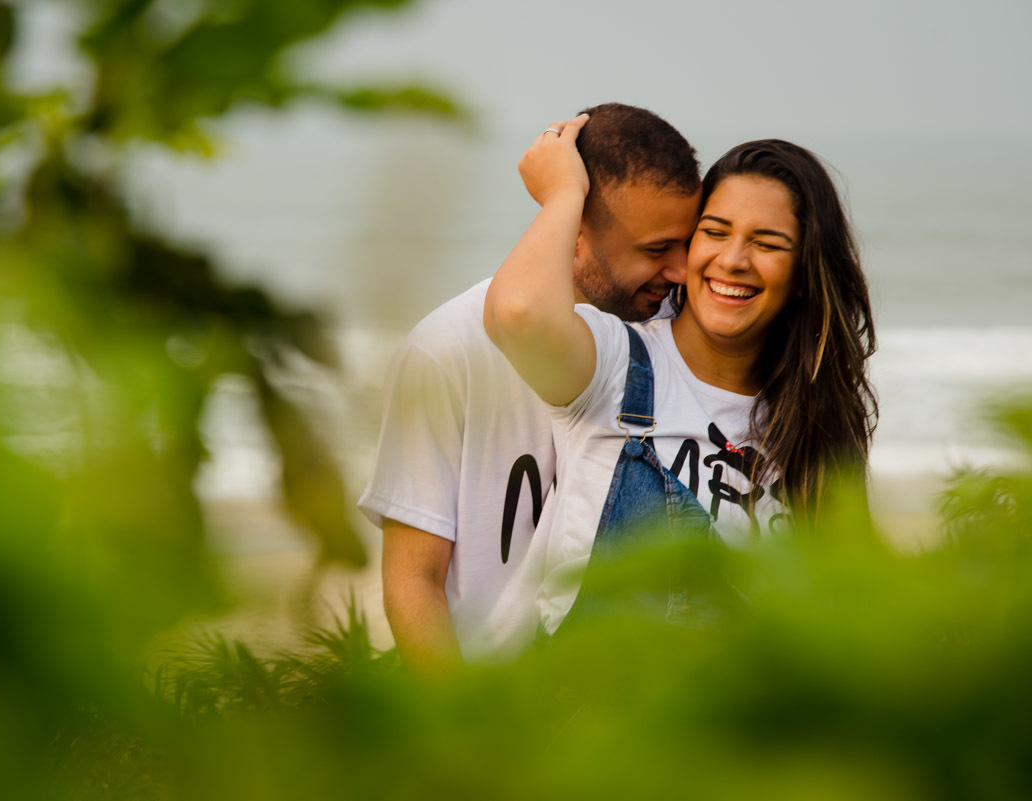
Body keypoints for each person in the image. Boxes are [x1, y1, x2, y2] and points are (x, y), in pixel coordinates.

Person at [484, 117, 877, 642]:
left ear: (805, 272)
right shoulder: (617, 362)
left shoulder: (820, 421)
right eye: (713, 233)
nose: (732, 261)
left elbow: (849, 601)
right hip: (600, 710)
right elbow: (517, 313)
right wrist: (564, 195)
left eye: (767, 243)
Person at [357, 104, 701, 671]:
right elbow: (414, 580)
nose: (681, 270)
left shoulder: (671, 334)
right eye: (656, 249)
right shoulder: (449, 348)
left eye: (687, 244)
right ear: (574, 233)